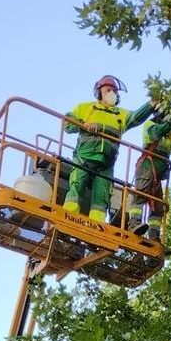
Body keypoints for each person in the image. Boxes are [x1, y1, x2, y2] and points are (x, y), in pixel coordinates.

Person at [63, 75, 155, 232]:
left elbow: (136, 117)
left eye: (114, 90)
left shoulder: (120, 115)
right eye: (108, 89)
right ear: (99, 92)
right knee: (76, 189)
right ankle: (66, 221)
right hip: (83, 158)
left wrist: (151, 105)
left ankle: (95, 229)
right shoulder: (85, 108)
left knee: (102, 198)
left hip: (106, 165)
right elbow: (67, 124)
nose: (112, 92)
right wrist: (83, 125)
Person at [126, 109, 171, 242]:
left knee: (158, 207)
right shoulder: (150, 125)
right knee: (141, 194)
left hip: (157, 177)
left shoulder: (169, 135)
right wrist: (170, 124)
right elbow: (155, 134)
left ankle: (154, 235)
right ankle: (134, 224)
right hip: (147, 167)